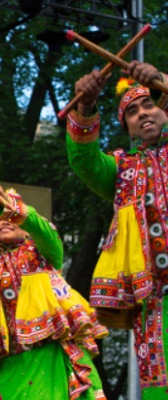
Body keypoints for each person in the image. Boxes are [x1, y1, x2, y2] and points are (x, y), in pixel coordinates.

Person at [0, 179, 107, 399]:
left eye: (9, 217)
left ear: (25, 229)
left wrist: (5, 203)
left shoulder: (44, 254)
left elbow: (42, 229)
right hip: (7, 365)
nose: (4, 221)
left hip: (46, 358)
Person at [67, 61, 168, 397]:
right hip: (154, 303)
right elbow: (84, 160)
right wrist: (85, 106)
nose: (142, 113)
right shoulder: (122, 169)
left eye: (150, 104)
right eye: (132, 112)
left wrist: (160, 80)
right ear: (128, 128)